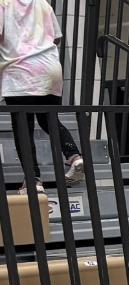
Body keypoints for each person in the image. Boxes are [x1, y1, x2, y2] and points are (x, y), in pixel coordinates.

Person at [0, 0, 83, 191]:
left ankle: (33, 179)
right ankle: (74, 156)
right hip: (50, 69)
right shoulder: (43, 4)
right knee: (48, 119)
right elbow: (57, 38)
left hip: (21, 72)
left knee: (23, 126)